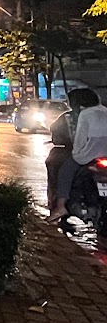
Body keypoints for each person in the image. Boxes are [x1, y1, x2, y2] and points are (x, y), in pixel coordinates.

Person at [51, 87, 107, 223]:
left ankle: (60, 206)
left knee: (66, 170)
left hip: (89, 155)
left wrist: (76, 153)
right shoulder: (105, 110)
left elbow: (80, 139)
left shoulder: (84, 114)